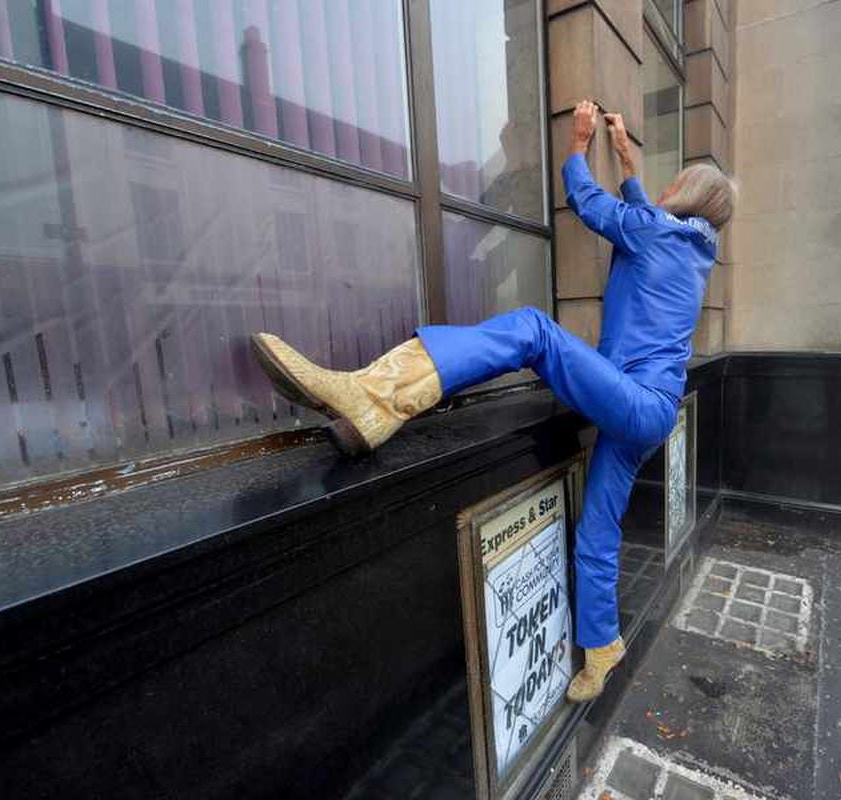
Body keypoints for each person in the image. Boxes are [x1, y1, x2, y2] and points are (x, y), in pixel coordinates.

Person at [250, 100, 737, 702]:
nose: (664, 189)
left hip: (634, 400)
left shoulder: (656, 232)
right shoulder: (690, 249)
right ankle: (604, 644)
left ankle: (374, 394)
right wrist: (629, 161)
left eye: (675, 184)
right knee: (598, 529)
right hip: (648, 411)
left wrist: (577, 147)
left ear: (687, 197)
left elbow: (590, 204)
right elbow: (642, 214)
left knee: (533, 329)